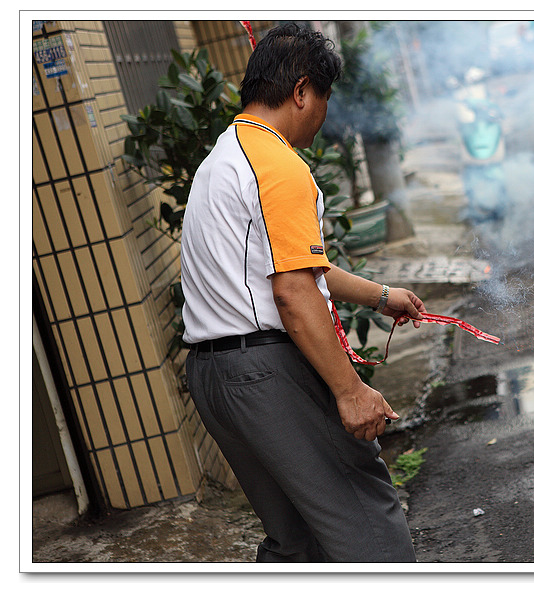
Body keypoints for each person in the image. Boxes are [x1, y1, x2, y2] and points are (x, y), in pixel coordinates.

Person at [180, 22, 425, 562]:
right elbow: (292, 292)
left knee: (299, 540)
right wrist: (350, 390)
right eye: (326, 97)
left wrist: (381, 296)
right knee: (367, 523)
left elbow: (295, 268)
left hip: (215, 375)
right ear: (301, 91)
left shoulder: (224, 157)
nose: (325, 113)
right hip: (268, 375)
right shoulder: (280, 167)